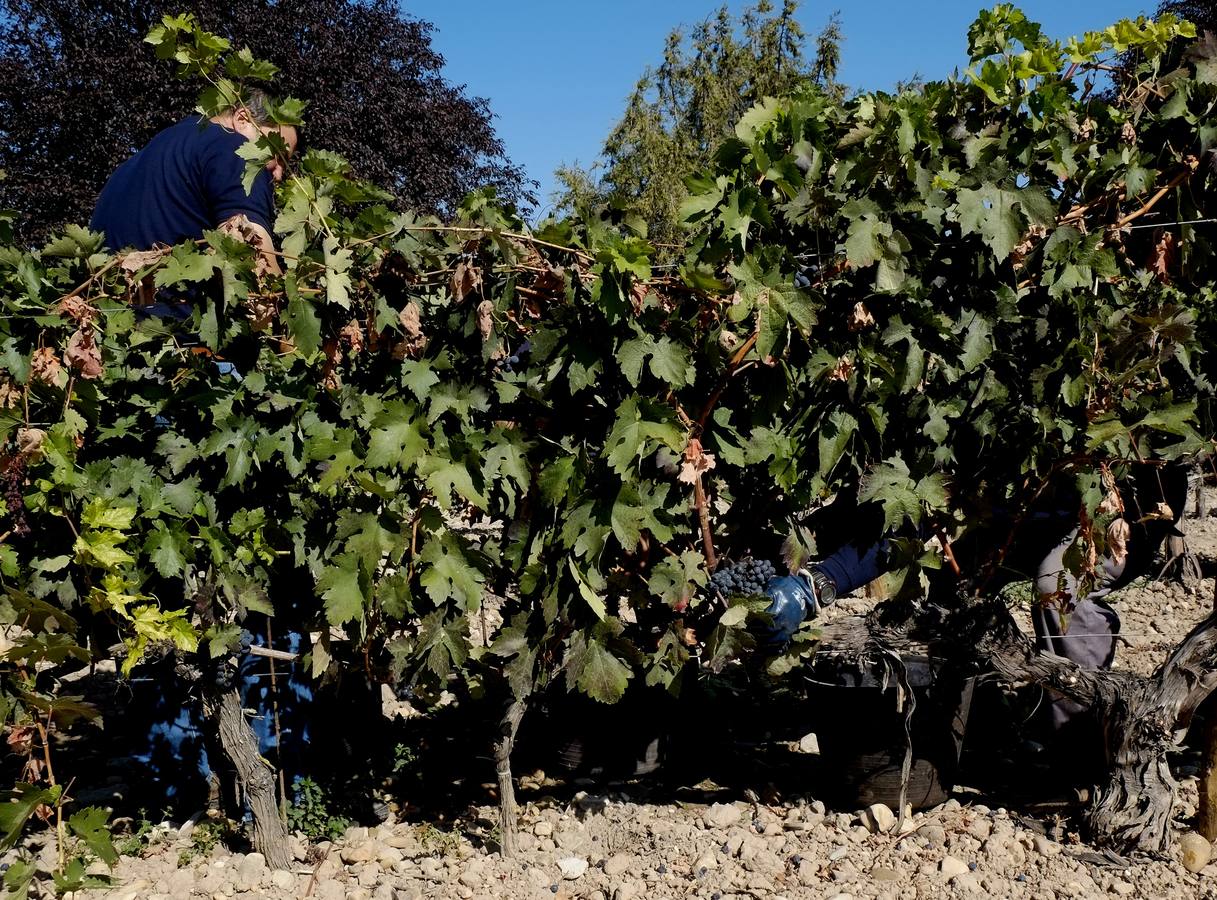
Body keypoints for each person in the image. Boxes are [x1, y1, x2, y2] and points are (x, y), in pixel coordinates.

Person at [91, 89, 297, 314]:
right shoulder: (237, 151)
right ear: (242, 118)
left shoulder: (145, 156)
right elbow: (255, 267)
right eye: (277, 154)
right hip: (181, 339)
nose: (278, 174)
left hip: (107, 329)